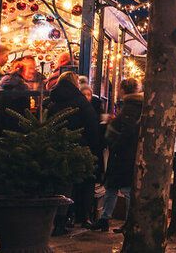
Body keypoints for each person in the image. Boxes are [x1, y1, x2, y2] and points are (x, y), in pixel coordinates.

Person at [46, 71, 101, 232]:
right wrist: (93, 148)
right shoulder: (81, 102)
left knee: (60, 183)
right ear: (75, 83)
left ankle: (59, 220)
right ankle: (72, 219)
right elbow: (92, 127)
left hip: (56, 147)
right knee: (75, 184)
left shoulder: (53, 102)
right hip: (79, 147)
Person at [95, 77, 142, 232]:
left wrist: (116, 143)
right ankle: (105, 218)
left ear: (122, 89)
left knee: (124, 188)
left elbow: (128, 130)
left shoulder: (131, 106)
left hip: (123, 153)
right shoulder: (133, 105)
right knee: (113, 187)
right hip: (125, 153)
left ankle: (126, 220)